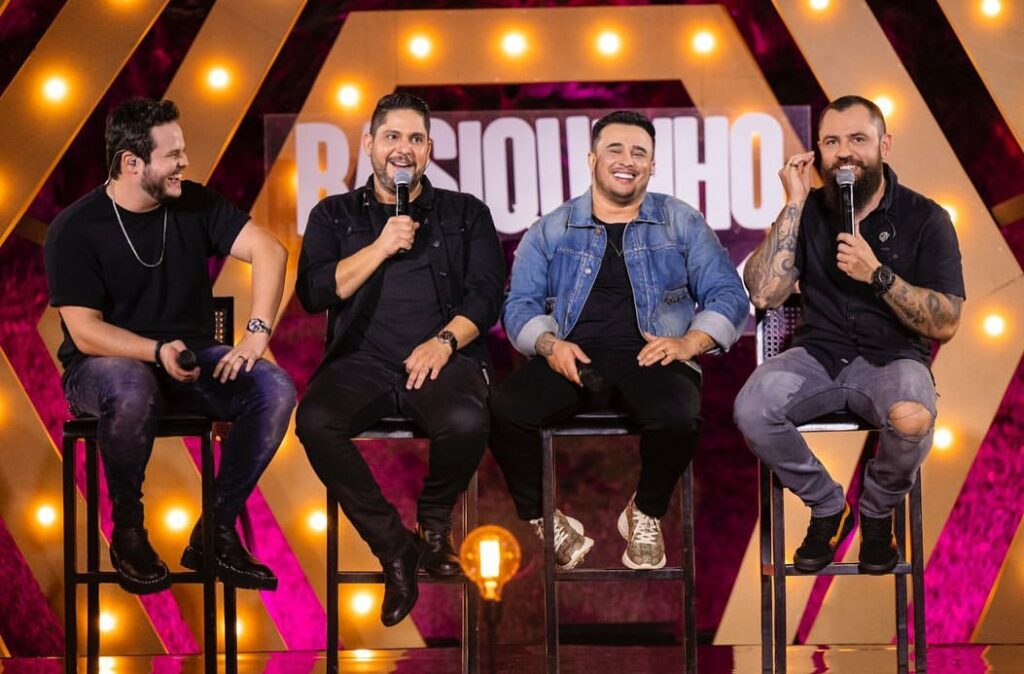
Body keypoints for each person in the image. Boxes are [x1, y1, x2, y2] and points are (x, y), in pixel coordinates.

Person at [44, 98, 296, 595]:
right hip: (101, 369)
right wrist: (156, 351)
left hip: (192, 361)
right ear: (131, 163)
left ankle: (216, 530)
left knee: (273, 389)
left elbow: (270, 249)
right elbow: (85, 332)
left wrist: (256, 333)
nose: (185, 162)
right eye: (172, 154)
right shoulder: (74, 229)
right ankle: (129, 532)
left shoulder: (195, 203)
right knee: (130, 383)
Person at [490, 110, 749, 571]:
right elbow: (519, 305)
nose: (627, 160)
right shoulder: (550, 228)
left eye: (639, 153)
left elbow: (728, 293)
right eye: (615, 150)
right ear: (592, 159)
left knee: (679, 416)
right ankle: (544, 519)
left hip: (652, 357)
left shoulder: (680, 221)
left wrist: (689, 343)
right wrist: (550, 346)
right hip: (573, 359)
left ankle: (645, 512)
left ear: (652, 165)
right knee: (502, 409)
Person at [294, 93, 504, 626]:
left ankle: (433, 525)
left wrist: (445, 342)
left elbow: (486, 297)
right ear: (369, 144)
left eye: (415, 139)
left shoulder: (466, 213)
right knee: (315, 422)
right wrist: (380, 247)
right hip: (360, 362)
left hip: (441, 357)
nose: (402, 149)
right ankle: (394, 547)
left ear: (429, 149)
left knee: (467, 420)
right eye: (392, 137)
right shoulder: (333, 214)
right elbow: (314, 292)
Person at [735, 95, 965, 574]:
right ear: (818, 151)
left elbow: (945, 322)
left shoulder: (926, 218)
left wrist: (877, 275)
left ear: (884, 145)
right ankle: (827, 507)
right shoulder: (808, 212)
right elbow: (762, 292)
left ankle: (877, 512)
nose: (844, 152)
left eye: (858, 139)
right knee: (752, 408)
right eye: (831, 142)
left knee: (913, 418)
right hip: (816, 355)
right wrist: (793, 203)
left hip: (893, 359)